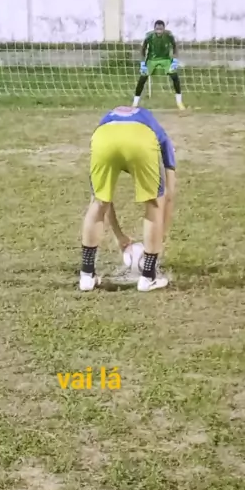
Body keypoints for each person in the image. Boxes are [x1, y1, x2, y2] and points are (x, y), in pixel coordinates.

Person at [80, 105, 176, 292]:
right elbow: (169, 195)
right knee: (154, 203)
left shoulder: (106, 121)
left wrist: (120, 236)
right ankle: (148, 278)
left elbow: (105, 200)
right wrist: (160, 238)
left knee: (98, 202)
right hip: (140, 140)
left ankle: (86, 276)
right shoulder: (161, 136)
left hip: (103, 138)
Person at [132, 19, 185, 110]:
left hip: (165, 59)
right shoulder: (149, 36)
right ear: (154, 29)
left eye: (161, 29)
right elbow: (143, 49)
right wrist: (143, 62)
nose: (159, 31)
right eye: (157, 29)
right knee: (142, 79)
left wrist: (175, 60)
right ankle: (135, 103)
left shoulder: (169, 35)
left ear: (164, 29)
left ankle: (179, 102)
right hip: (152, 59)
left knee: (175, 77)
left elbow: (175, 46)